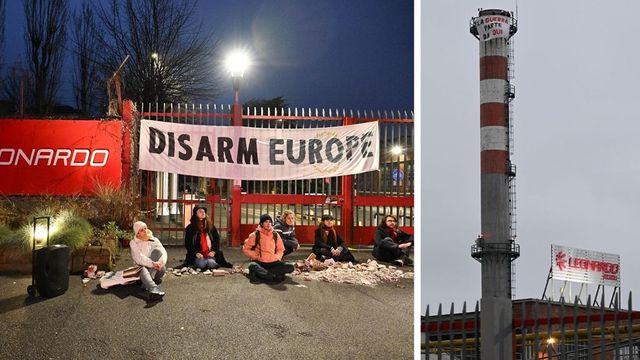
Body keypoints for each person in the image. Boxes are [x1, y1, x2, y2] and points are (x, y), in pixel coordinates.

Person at [242, 214, 294, 282]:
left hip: (273, 262)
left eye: (270, 222)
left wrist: (277, 257)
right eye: (266, 222)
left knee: (290, 267)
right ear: (261, 223)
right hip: (260, 262)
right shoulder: (255, 235)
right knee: (252, 265)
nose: (268, 224)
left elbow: (280, 249)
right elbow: (246, 248)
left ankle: (263, 274)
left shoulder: (275, 234)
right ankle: (273, 275)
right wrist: (256, 256)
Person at [184, 206, 232, 270]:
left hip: (210, 253)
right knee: (202, 264)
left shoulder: (210, 226)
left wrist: (214, 251)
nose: (203, 213)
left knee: (211, 263)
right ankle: (204, 262)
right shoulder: (190, 227)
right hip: (198, 255)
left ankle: (209, 262)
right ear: (196, 214)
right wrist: (196, 253)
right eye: (200, 212)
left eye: (204, 212)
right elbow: (188, 243)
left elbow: (216, 239)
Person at [131, 221, 167, 300]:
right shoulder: (133, 243)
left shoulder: (154, 240)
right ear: (137, 233)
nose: (145, 231)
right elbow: (139, 258)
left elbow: (163, 251)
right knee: (142, 268)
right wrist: (152, 264)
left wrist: (160, 263)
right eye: (141, 230)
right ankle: (153, 288)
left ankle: (146, 283)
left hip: (156, 270)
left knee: (157, 252)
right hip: (141, 271)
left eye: (145, 228)